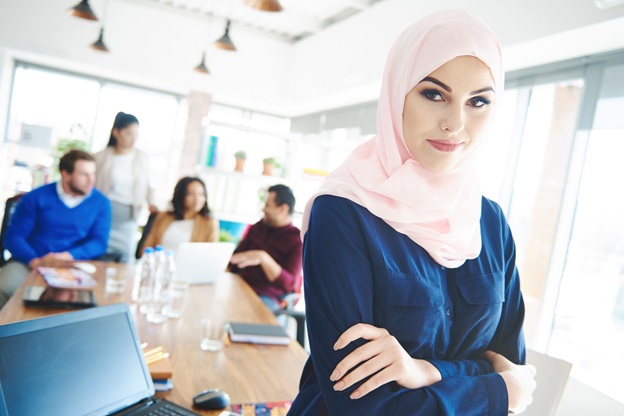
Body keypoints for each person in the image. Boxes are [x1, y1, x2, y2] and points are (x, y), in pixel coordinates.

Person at [288, 11, 537, 416]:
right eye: (434, 94)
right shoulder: (343, 212)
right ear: (397, 93)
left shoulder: (489, 223)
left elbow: (514, 365)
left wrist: (425, 371)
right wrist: (491, 388)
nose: (455, 123)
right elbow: (361, 404)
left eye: (478, 102)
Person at [0, 150, 111, 309]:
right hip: (30, 262)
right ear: (65, 174)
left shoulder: (101, 203)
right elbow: (14, 238)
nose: (91, 180)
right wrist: (34, 262)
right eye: (84, 175)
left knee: (99, 300)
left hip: (75, 265)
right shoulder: (35, 198)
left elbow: (99, 242)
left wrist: (67, 256)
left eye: (93, 174)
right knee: (3, 287)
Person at [94, 112, 157, 263]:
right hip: (103, 214)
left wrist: (152, 203)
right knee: (98, 254)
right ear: (116, 132)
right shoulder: (100, 157)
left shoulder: (142, 157)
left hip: (129, 216)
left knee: (126, 258)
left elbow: (148, 184)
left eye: (136, 134)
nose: (133, 139)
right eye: (129, 134)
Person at [229, 184, 302, 312]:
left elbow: (290, 284)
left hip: (267, 297)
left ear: (282, 209)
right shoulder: (258, 227)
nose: (263, 209)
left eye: (268, 205)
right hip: (240, 285)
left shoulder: (297, 240)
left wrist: (263, 258)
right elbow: (235, 260)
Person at [138, 177, 219, 254]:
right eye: (191, 194)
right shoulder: (163, 217)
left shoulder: (209, 222)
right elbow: (145, 249)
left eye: (201, 194)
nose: (197, 199)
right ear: (181, 195)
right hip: (160, 264)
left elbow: (211, 254)